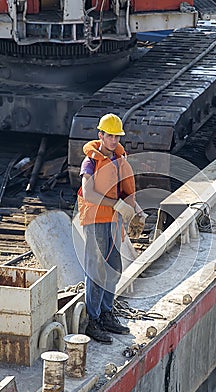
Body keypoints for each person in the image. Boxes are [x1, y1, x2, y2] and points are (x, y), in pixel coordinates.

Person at [77, 113, 145, 344]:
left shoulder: (118, 160)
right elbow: (89, 194)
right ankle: (92, 321)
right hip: (96, 221)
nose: (113, 141)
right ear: (101, 135)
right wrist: (116, 205)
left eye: (116, 136)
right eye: (109, 136)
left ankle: (106, 313)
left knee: (114, 266)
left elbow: (124, 190)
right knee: (96, 269)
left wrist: (137, 210)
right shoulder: (90, 162)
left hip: (114, 221)